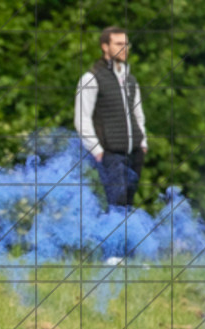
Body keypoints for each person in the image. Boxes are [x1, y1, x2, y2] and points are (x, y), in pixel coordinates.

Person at [75, 26, 148, 208]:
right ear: (105, 46)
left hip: (135, 153)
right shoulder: (91, 78)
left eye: (126, 44)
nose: (124, 48)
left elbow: (138, 114)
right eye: (118, 44)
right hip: (111, 154)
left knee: (128, 204)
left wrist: (143, 142)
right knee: (117, 206)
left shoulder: (131, 80)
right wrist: (97, 151)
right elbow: (82, 119)